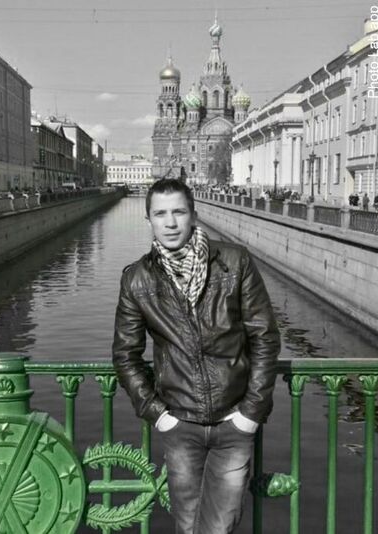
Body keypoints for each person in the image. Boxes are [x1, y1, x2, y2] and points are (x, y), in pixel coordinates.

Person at [112, 178, 281, 534]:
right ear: (148, 220)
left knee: (219, 526)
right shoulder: (137, 279)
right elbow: (126, 355)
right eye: (161, 214)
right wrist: (158, 415)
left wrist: (250, 412)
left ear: (194, 215)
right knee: (188, 526)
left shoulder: (234, 261)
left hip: (233, 421)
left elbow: (264, 338)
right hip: (180, 423)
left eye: (178, 212)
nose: (170, 223)